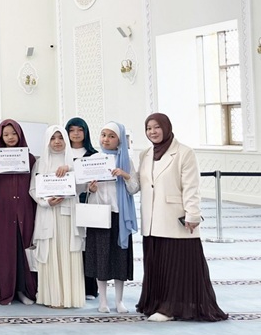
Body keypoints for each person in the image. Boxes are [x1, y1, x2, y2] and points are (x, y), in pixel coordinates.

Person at [136, 113, 228, 322]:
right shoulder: (145, 154)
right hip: (151, 220)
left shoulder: (184, 153)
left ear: (166, 127)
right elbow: (140, 184)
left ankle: (170, 308)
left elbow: (191, 187)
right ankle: (156, 303)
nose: (152, 132)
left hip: (175, 218)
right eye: (148, 128)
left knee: (176, 265)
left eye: (157, 127)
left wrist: (192, 214)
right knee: (157, 264)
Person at [83, 122, 139, 314]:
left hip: (119, 217)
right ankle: (103, 301)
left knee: (119, 259)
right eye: (103, 135)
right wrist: (91, 188)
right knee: (101, 259)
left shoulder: (126, 161)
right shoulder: (94, 159)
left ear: (120, 140)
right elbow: (84, 189)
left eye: (111, 136)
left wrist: (125, 175)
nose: (106, 139)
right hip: (99, 215)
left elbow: (134, 188)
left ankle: (119, 301)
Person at [29, 126, 85, 309]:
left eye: (60, 137)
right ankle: (53, 297)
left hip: (68, 216)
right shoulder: (40, 163)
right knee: (51, 253)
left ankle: (70, 298)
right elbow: (33, 190)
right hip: (48, 213)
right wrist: (46, 202)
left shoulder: (73, 163)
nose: (57, 142)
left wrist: (71, 170)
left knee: (69, 253)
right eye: (53, 138)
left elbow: (81, 187)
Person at [0, 119, 38, 306]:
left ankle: (23, 290)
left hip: (24, 209)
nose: (10, 137)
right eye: (6, 134)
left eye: (13, 133)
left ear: (20, 134)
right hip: (4, 211)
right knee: (5, 250)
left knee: (24, 248)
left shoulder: (30, 159)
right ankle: (5, 290)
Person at [65, 116, 101, 299]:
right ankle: (70, 286)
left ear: (86, 132)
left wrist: (92, 188)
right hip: (64, 205)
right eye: (72, 130)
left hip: (86, 204)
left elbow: (98, 180)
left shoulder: (94, 155)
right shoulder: (62, 153)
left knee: (86, 245)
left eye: (80, 130)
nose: (76, 134)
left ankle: (89, 287)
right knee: (69, 244)